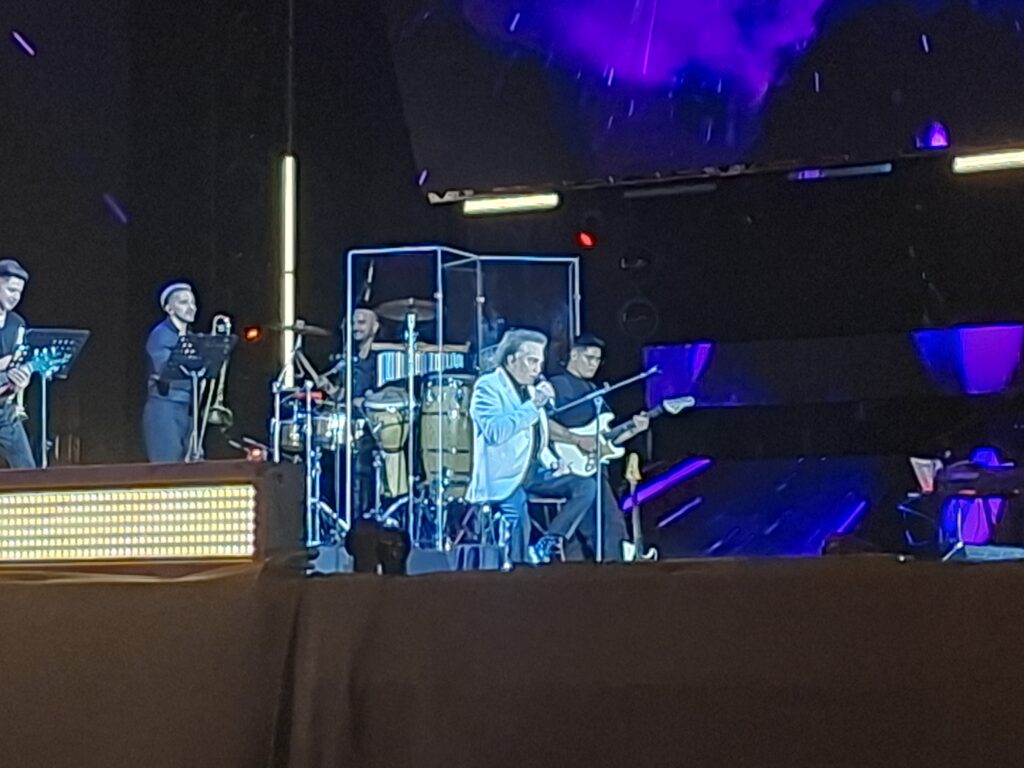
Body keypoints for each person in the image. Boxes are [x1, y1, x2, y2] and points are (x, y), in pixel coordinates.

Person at [466, 328, 596, 564]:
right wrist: (533, 406)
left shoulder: (530, 389)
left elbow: (538, 438)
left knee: (586, 486)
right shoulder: (488, 387)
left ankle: (549, 541)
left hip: (534, 473)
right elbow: (496, 432)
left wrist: (554, 462)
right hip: (504, 476)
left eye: (540, 363)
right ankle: (519, 567)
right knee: (517, 512)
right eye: (532, 361)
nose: (537, 369)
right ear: (511, 360)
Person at [548, 334, 650, 561]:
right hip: (566, 467)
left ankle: (614, 566)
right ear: (574, 354)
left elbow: (607, 441)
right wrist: (576, 439)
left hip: (594, 469)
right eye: (589, 358)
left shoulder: (594, 391)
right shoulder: (557, 385)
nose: (593, 364)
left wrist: (634, 430)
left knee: (610, 524)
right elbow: (542, 424)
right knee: (599, 526)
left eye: (597, 360)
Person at [142, 281, 197, 462]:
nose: (191, 307)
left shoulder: (190, 337)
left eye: (193, 303)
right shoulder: (161, 334)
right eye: (183, 302)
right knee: (168, 466)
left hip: (186, 406)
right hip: (165, 406)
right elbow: (164, 369)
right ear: (169, 309)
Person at [0, 259, 36, 469]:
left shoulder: (17, 324)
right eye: (11, 290)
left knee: (27, 470)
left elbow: (19, 361)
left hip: (4, 411)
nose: (15, 297)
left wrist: (22, 379)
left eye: (19, 293)